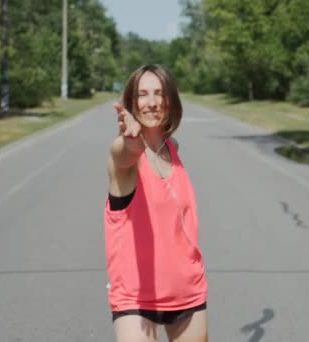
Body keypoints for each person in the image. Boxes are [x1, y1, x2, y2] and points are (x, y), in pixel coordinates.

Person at [104, 64, 209, 342]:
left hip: (188, 293)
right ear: (131, 102)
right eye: (142, 94)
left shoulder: (171, 147)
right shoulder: (122, 158)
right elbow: (127, 152)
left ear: (170, 100)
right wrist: (131, 139)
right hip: (135, 302)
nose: (151, 103)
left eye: (159, 93)